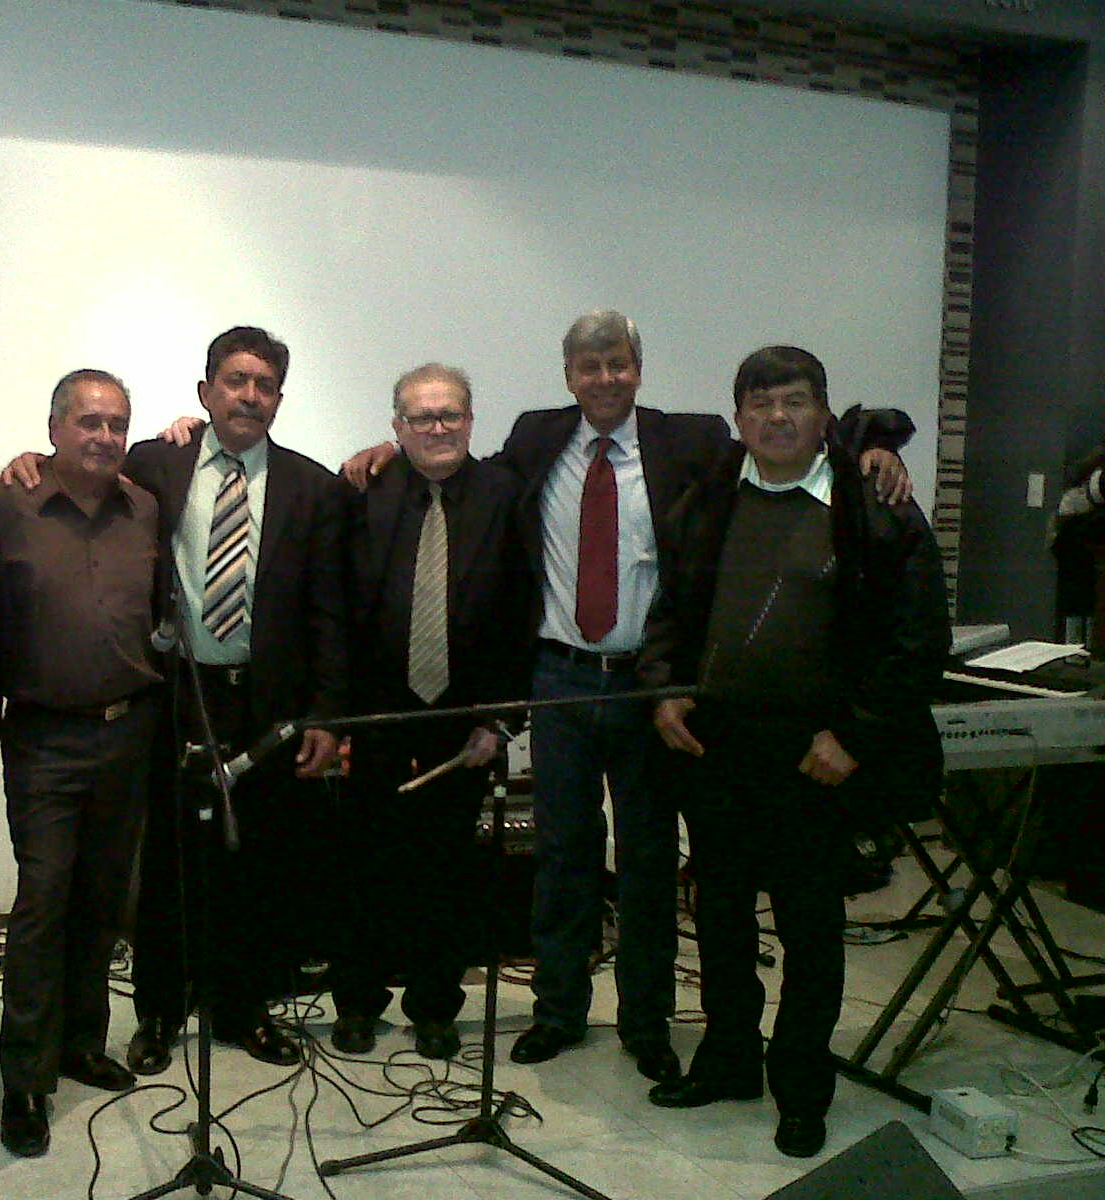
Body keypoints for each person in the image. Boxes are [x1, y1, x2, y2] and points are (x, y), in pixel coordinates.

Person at [342, 311, 913, 1085]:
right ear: (568, 376)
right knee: (561, 856)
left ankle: (646, 1021)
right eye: (589, 366)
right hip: (558, 682)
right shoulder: (537, 439)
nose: (604, 378)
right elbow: (457, 466)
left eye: (617, 363)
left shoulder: (693, 441)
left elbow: (785, 443)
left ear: (638, 369)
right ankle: (558, 1011)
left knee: (646, 862)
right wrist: (385, 453)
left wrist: (871, 452)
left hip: (651, 687)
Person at [4, 327, 350, 1071]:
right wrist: (27, 460)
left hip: (266, 703)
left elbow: (329, 609)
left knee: (256, 860)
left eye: (263, 385)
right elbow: (78, 471)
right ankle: (159, 1011)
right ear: (205, 392)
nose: (249, 396)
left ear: (279, 399)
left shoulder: (312, 487)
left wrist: (323, 714)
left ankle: (244, 1007)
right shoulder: (155, 464)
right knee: (165, 862)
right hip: (174, 695)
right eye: (234, 381)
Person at [638, 345, 946, 1156]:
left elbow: (918, 641)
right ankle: (729, 1058)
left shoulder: (874, 506)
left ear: (824, 415)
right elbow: (671, 609)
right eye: (761, 404)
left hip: (817, 756)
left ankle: (802, 1086)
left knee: (810, 930)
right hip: (716, 748)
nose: (777, 417)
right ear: (738, 418)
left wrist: (855, 736)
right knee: (721, 920)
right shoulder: (708, 498)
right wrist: (664, 688)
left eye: (795, 401)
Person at [328, 364, 533, 1060]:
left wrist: (500, 721)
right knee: (365, 867)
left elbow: (522, 614)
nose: (438, 428)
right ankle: (357, 1001)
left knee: (449, 872)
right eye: (421, 417)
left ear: (471, 421)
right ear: (398, 426)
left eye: (450, 415)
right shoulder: (362, 491)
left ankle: (436, 1005)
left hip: (465, 722)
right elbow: (336, 609)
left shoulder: (505, 495)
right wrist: (337, 720)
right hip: (376, 719)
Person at [0, 369, 163, 1158]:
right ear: (54, 427)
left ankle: (81, 1043)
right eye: (88, 422)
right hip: (44, 737)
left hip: (129, 731)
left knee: (101, 899)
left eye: (117, 424)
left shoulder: (145, 507)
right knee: (43, 900)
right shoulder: (10, 502)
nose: (104, 436)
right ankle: (25, 1078)